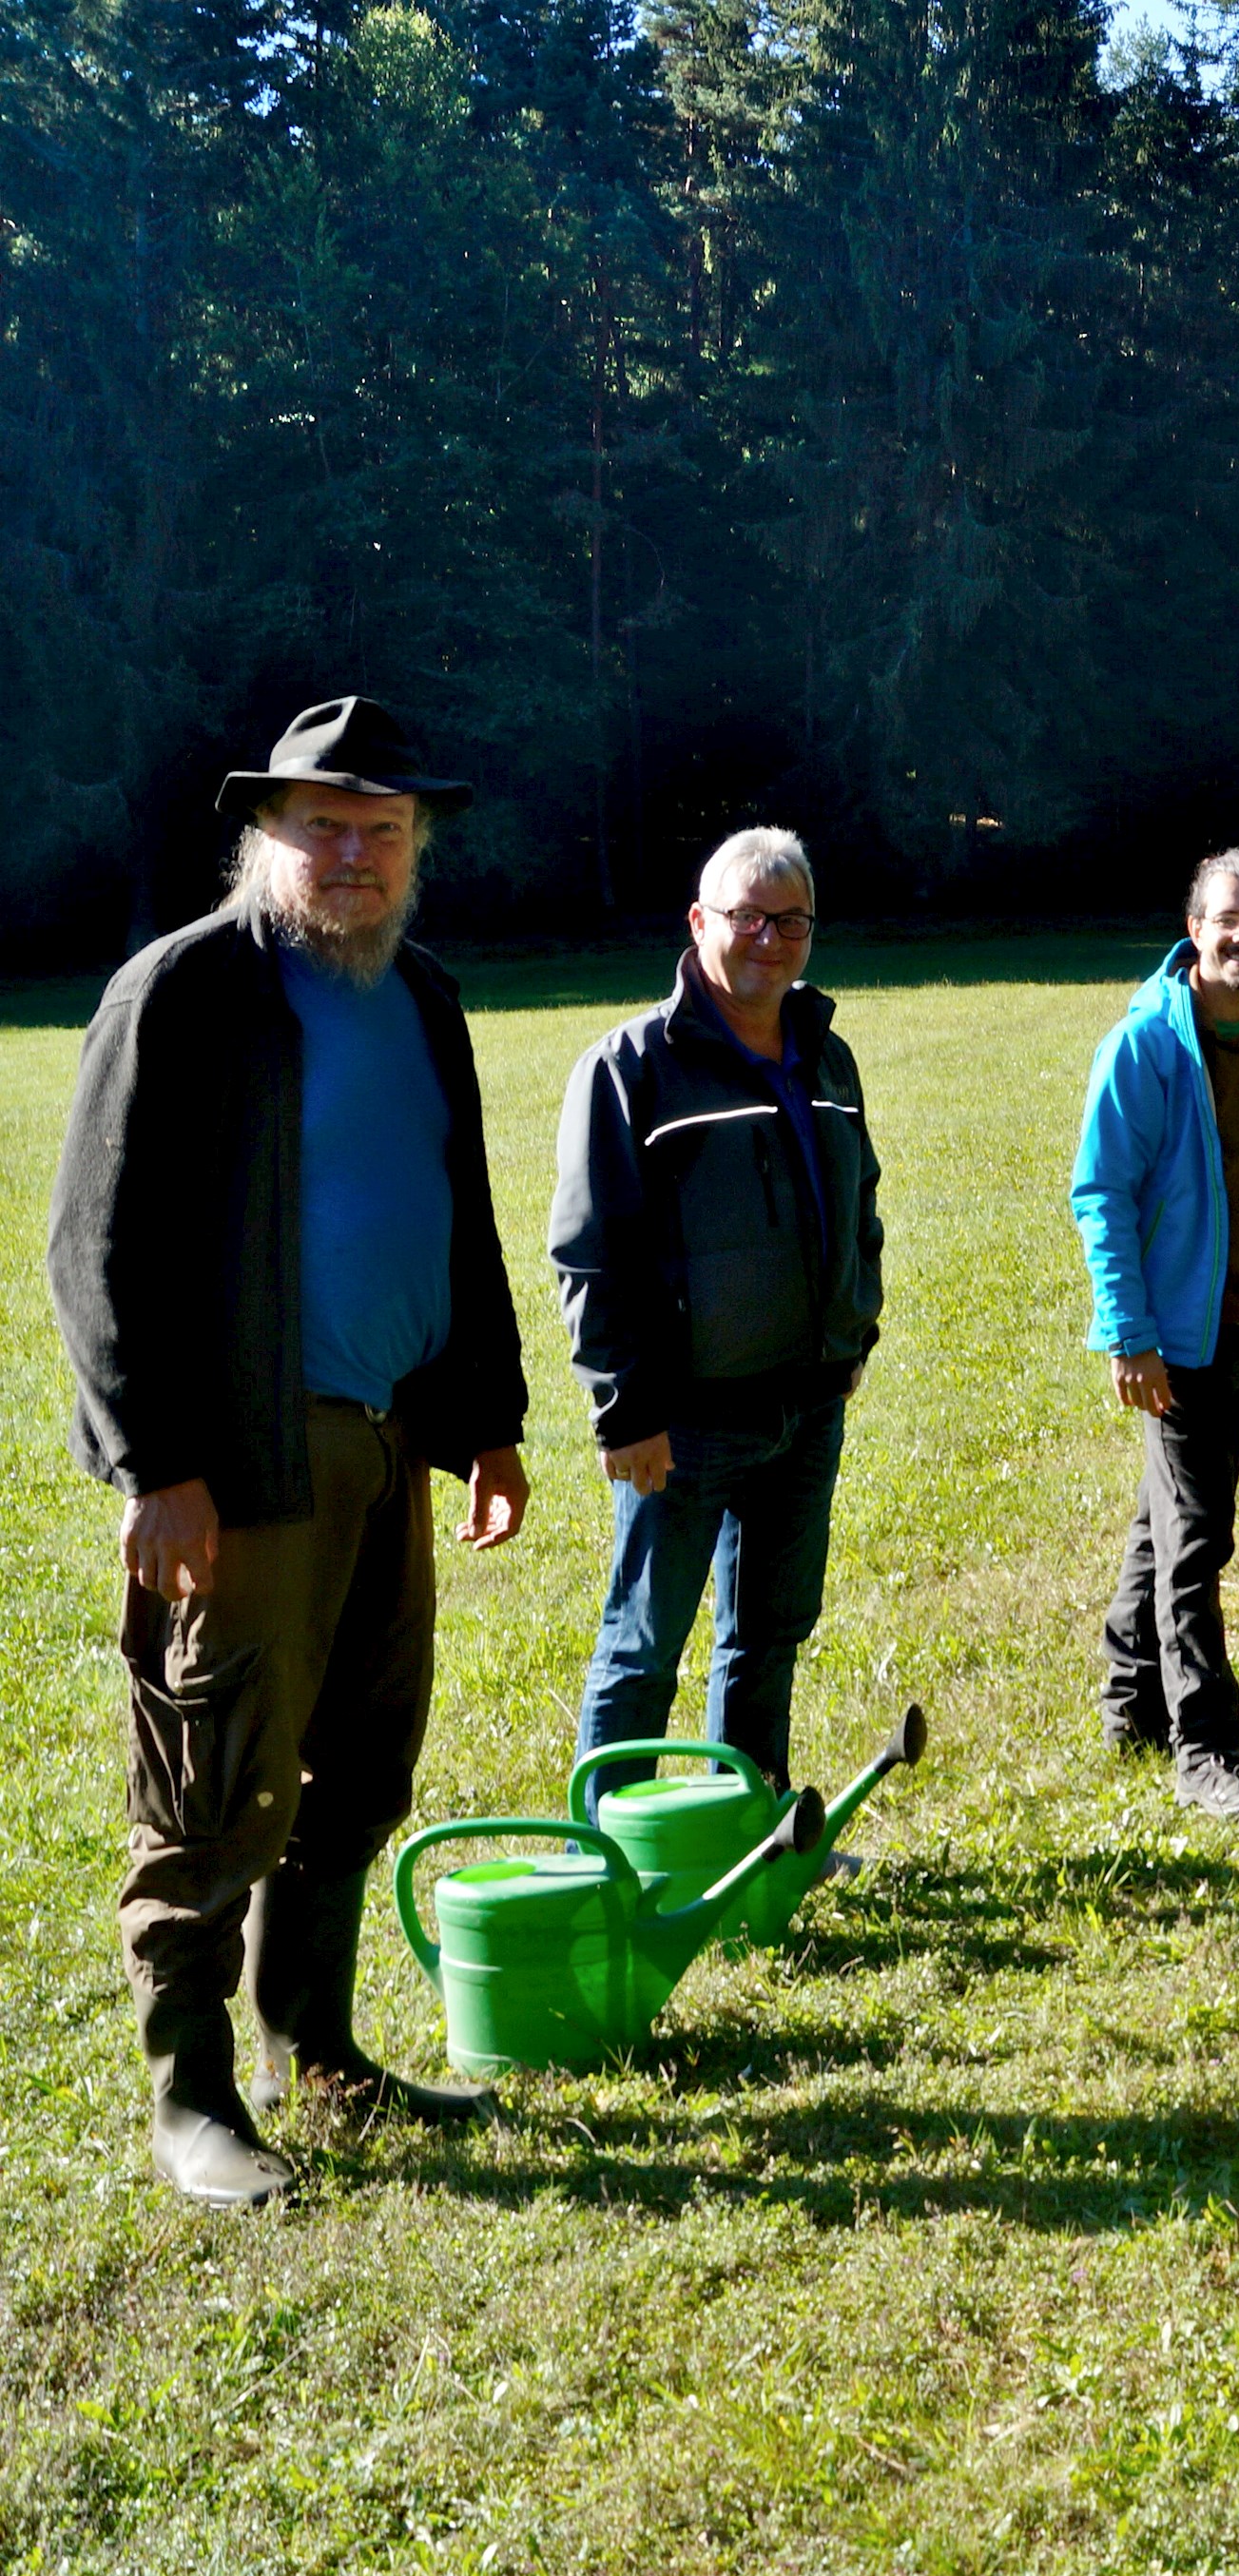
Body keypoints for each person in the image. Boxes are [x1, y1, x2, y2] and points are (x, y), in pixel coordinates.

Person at [46, 697, 531, 2208]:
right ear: (265, 832)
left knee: (362, 1765)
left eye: (383, 829)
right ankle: (191, 2097)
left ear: (416, 849)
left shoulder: (423, 993)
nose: (353, 852)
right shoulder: (184, 991)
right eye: (323, 822)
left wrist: (487, 1419)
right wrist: (151, 1462)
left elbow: (460, 1212)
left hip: (389, 1445)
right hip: (239, 1461)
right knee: (214, 1776)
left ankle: (312, 2047)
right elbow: (92, 1245)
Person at [551, 829, 883, 1798]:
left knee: (767, 1636)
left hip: (807, 1402)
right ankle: (607, 1854)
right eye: (748, 916)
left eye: (790, 920)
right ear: (701, 923)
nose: (769, 938)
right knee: (642, 1649)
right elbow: (589, 1251)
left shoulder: (827, 1059)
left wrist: (851, 1333)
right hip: (682, 1422)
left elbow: (859, 1203)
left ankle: (751, 1833)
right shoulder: (632, 1068)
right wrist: (625, 1409)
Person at [1070, 851, 1239, 1815]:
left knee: (1171, 1516)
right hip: (1175, 1329)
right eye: (1228, 919)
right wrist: (1129, 1334)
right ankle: (1206, 1748)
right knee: (1196, 1536)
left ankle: (1129, 1699)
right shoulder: (1145, 1044)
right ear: (1195, 929)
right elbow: (1099, 1193)